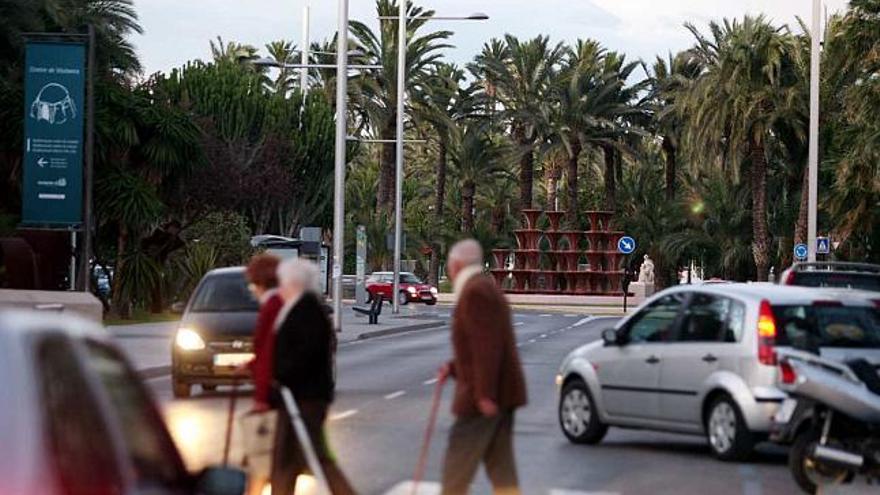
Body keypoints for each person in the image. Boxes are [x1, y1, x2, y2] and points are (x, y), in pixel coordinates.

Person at [438, 239, 527, 495]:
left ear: (455, 265)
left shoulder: (475, 292)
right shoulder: (486, 288)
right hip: (501, 394)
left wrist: (484, 394)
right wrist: (452, 367)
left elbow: (487, 348)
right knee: (501, 468)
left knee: (456, 467)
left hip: (482, 397)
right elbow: (482, 344)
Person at [271, 258, 355, 495]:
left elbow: (304, 354)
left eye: (283, 284)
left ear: (294, 283)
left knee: (314, 456)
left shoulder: (306, 310)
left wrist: (280, 373)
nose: (281, 289)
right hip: (295, 396)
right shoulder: (302, 307)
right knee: (286, 458)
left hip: (306, 397)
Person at [245, 253, 284, 413]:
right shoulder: (284, 302)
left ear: (259, 283)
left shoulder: (272, 307)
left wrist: (261, 397)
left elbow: (267, 354)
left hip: (283, 389)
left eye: (251, 285)